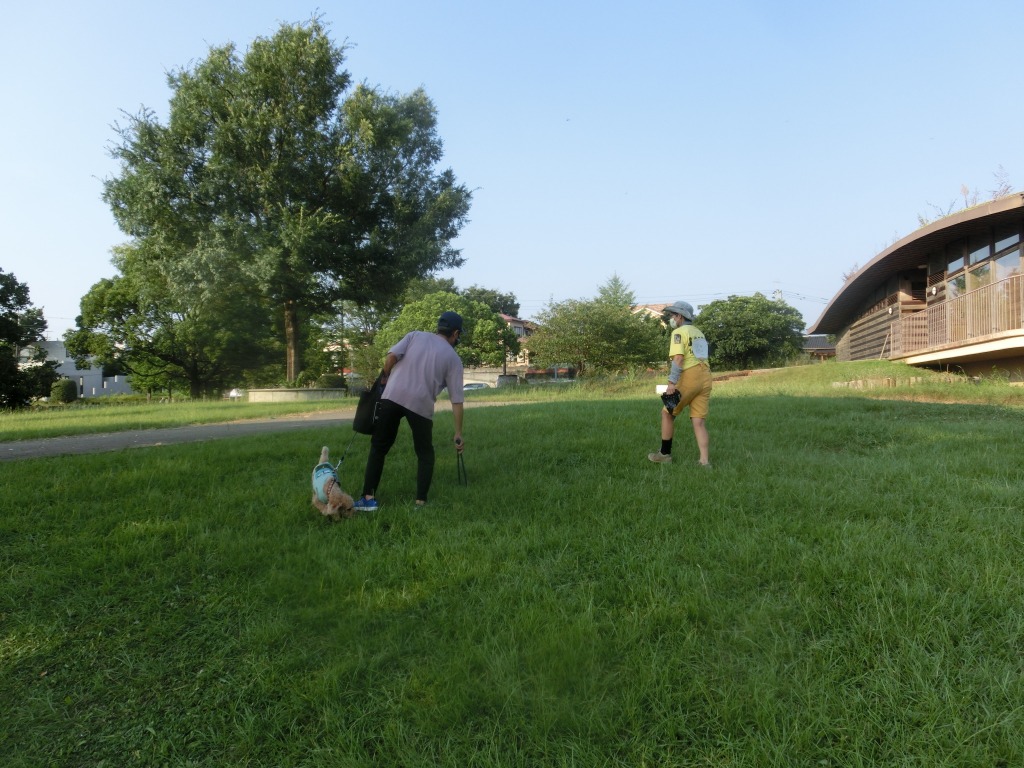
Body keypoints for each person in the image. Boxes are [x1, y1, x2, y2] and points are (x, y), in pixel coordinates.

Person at [354, 311, 466, 510]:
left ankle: (368, 499)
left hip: (392, 395)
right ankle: (420, 502)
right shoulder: (454, 359)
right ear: (455, 333)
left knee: (379, 447)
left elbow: (390, 358)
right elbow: (456, 400)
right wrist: (458, 433)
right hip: (421, 405)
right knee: (425, 453)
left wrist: (385, 378)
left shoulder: (415, 335)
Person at [648, 300, 711, 466]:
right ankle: (704, 461)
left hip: (689, 375)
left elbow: (678, 359)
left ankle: (664, 454)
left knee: (667, 413)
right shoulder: (699, 332)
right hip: (705, 376)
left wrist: (671, 383)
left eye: (672, 315)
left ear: (680, 316)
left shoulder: (678, 333)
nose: (671, 319)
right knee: (698, 421)